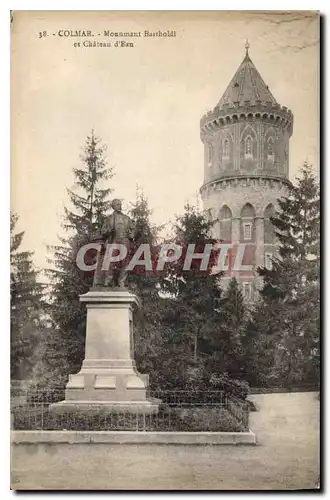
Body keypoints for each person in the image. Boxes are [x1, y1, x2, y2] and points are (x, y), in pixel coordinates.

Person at [92, 199, 135, 289]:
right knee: (110, 261)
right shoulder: (109, 219)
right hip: (114, 240)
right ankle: (108, 280)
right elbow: (103, 231)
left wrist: (132, 234)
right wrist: (107, 231)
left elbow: (133, 228)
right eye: (117, 204)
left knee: (124, 262)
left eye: (120, 204)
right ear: (113, 206)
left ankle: (122, 282)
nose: (119, 206)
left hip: (125, 241)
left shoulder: (126, 218)